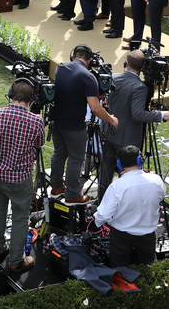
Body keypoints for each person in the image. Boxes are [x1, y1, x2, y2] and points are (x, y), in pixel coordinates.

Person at [0, 79, 45, 272]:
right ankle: (17, 261)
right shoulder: (36, 120)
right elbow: (40, 144)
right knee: (19, 218)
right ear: (31, 99)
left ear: (11, 94)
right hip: (19, 179)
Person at [47, 43, 118, 204]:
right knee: (75, 159)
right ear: (89, 60)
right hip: (74, 126)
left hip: (56, 121)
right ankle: (72, 195)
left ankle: (56, 187)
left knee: (59, 153)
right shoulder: (88, 77)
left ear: (73, 56)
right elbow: (95, 108)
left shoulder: (61, 67)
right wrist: (111, 119)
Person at [98, 50, 169, 200]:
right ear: (143, 66)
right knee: (128, 178)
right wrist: (161, 115)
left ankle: (102, 205)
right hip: (127, 139)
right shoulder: (140, 87)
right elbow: (137, 114)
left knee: (105, 176)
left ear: (127, 63)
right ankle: (124, 206)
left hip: (108, 132)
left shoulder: (113, 78)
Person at [93, 144, 165, 268]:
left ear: (119, 164)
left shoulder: (117, 186)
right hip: (148, 234)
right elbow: (162, 197)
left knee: (120, 270)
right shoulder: (156, 180)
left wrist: (97, 220)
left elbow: (103, 215)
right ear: (140, 160)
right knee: (148, 268)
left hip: (122, 235)